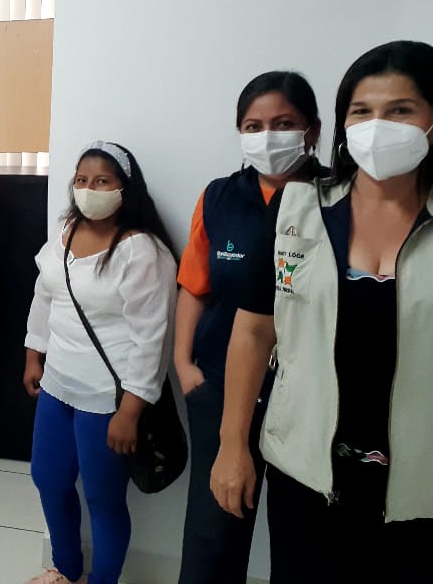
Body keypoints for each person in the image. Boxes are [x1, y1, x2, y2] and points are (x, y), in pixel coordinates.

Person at [211, 41, 433, 584]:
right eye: (362, 111)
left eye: (400, 110)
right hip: (306, 474)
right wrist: (232, 445)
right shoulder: (298, 208)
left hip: (420, 486)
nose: (378, 127)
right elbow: (253, 332)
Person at [174, 72, 323, 584]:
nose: (268, 137)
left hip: (308, 394)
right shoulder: (219, 197)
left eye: (283, 124)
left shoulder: (339, 198)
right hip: (220, 384)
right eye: (254, 126)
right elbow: (194, 286)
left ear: (312, 131)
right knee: (212, 538)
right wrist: (184, 365)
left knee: (304, 540)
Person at [23, 142, 177, 584]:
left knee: (103, 500)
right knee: (48, 479)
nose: (89, 189)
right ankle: (65, 569)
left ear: (125, 189)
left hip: (108, 399)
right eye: (82, 180)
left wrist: (130, 410)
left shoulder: (141, 251)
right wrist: (34, 354)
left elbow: (152, 339)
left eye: (102, 181)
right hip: (57, 384)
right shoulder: (66, 230)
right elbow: (45, 295)